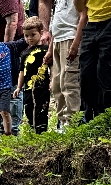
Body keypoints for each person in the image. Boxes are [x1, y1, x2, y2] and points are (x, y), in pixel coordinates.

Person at [74, 0, 111, 122]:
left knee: (110, 74)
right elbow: (79, 7)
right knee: (86, 75)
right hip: (92, 23)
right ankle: (91, 121)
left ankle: (109, 121)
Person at [41, 0, 85, 131]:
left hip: (70, 38)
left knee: (69, 82)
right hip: (57, 41)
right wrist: (50, 49)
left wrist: (76, 43)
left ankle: (72, 121)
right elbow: (56, 23)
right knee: (56, 84)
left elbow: (83, 16)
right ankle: (62, 121)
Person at [13, 16, 50, 134]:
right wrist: (19, 87)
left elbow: (52, 66)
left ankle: (42, 132)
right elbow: (21, 71)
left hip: (42, 86)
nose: (29, 38)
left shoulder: (46, 50)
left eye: (33, 35)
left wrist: (53, 80)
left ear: (41, 33)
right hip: (28, 89)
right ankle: (32, 131)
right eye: (26, 36)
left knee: (41, 109)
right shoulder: (24, 53)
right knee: (29, 110)